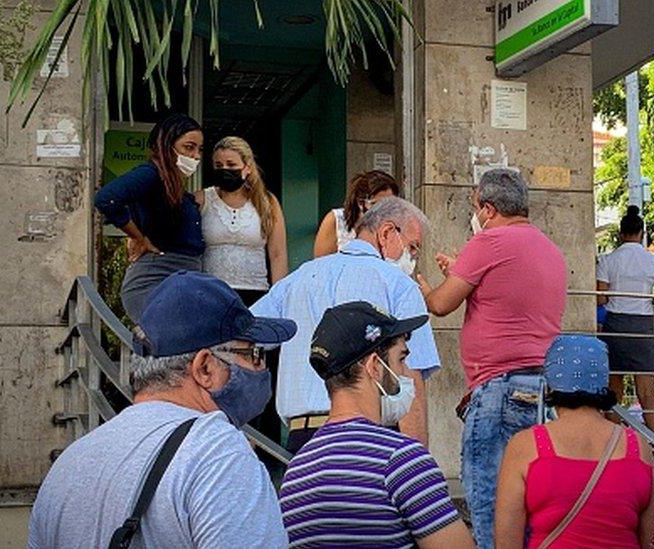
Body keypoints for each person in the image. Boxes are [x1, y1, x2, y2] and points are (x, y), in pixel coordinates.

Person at [27, 271, 297, 548]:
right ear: (205, 368)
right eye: (253, 355)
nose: (261, 368)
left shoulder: (70, 462)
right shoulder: (217, 452)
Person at [418, 169, 567, 549]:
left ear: (487, 209)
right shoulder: (549, 248)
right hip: (541, 390)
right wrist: (461, 272)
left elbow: (440, 304)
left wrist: (419, 283)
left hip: (498, 390)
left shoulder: (489, 242)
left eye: (474, 208)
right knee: (529, 501)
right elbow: (505, 295)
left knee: (488, 500)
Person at [279, 301, 473, 548]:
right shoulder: (402, 460)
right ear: (374, 366)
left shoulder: (296, 474)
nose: (406, 372)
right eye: (401, 359)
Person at [252, 196, 439, 452]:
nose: (413, 257)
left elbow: (245, 334)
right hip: (370, 437)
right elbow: (411, 375)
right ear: (386, 232)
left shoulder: (299, 279)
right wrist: (416, 461)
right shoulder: (400, 286)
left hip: (303, 439)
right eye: (413, 247)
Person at [495, 335, 654, 549]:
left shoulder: (526, 447)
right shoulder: (638, 447)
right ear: (604, 381)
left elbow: (507, 542)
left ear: (550, 385)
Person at [94, 114, 205, 322]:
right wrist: (138, 237)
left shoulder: (173, 186)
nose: (196, 156)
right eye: (188, 148)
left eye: (199, 149)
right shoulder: (151, 174)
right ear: (166, 145)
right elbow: (107, 198)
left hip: (182, 279)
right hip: (157, 277)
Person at [596, 205, 654, 431]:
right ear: (641, 233)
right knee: (647, 394)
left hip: (616, 327)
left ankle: (615, 444)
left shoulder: (608, 261)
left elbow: (600, 298)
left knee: (614, 392)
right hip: (643, 328)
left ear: (621, 234)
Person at [197, 136, 288, 306]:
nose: (224, 169)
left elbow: (277, 254)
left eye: (231, 165)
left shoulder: (267, 202)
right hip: (210, 292)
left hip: (256, 293)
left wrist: (279, 297)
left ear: (247, 168)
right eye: (218, 165)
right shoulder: (202, 199)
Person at [313, 170, 401, 257]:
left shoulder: (394, 226)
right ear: (360, 202)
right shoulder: (337, 220)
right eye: (376, 204)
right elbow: (321, 264)